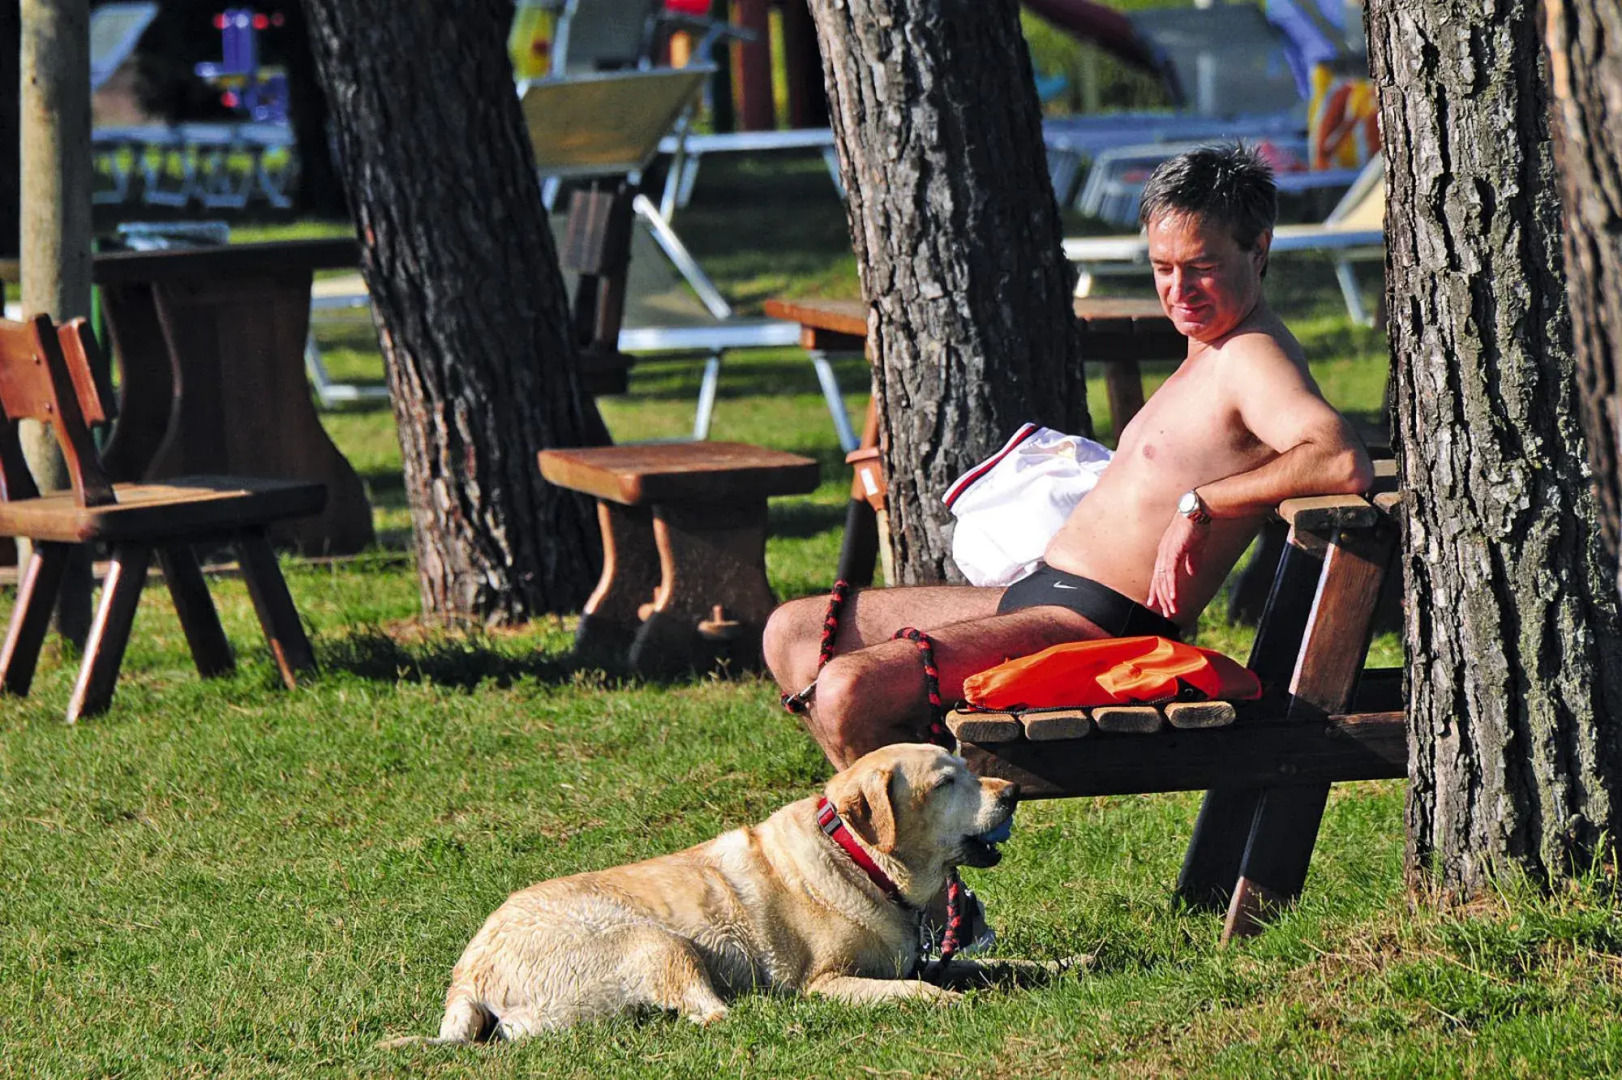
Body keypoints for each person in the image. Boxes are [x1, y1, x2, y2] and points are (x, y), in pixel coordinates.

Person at [763, 143, 1375, 771]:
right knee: (792, 632)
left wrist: (1205, 501)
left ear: (1260, 249)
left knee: (847, 688)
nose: (1178, 289)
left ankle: (910, 850)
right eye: (1163, 267)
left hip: (1103, 625)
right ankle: (927, 807)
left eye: (1202, 267)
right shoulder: (1208, 348)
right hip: (1039, 591)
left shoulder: (1253, 357)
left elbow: (1338, 458)